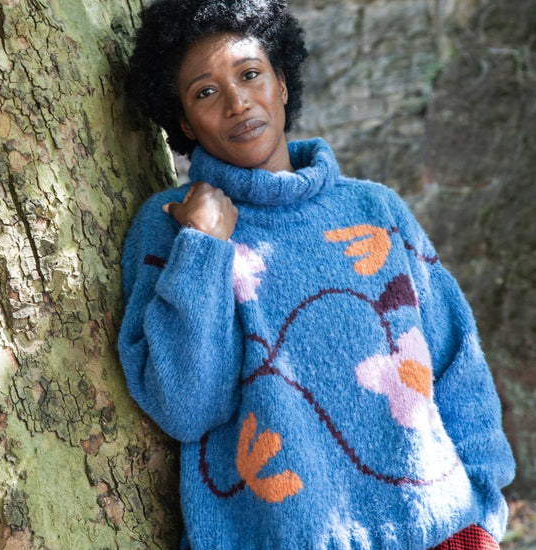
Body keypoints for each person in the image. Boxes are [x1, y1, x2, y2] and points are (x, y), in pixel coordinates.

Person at [118, 1, 515, 548]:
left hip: (443, 530)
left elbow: (455, 359)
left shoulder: (376, 210)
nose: (237, 102)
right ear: (184, 122)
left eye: (250, 74)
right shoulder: (171, 227)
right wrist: (204, 246)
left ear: (281, 83)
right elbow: (187, 407)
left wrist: (484, 508)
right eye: (205, 92)